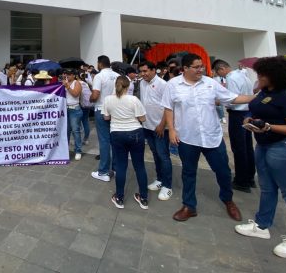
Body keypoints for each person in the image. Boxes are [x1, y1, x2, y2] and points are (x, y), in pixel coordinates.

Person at [162, 53, 256, 222]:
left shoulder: (211, 83)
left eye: (202, 66)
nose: (201, 70)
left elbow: (233, 98)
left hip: (212, 137)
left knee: (223, 171)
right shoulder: (172, 85)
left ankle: (228, 200)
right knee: (188, 173)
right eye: (196, 67)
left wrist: (257, 97)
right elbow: (168, 108)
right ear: (185, 68)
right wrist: (172, 130)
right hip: (188, 138)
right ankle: (189, 206)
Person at [235, 56, 286, 259]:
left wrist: (268, 127)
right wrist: (250, 120)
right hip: (265, 146)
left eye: (261, 74)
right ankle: (262, 225)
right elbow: (256, 109)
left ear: (273, 75)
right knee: (267, 188)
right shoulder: (264, 92)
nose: (258, 76)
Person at [104, 76, 148, 209]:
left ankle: (119, 197)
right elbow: (143, 118)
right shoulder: (133, 99)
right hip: (135, 133)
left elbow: (106, 117)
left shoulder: (107, 99)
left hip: (117, 133)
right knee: (139, 166)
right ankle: (144, 199)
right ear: (128, 86)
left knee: (121, 166)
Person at [213, 59, 256, 193]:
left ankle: (242, 181)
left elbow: (232, 99)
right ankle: (249, 177)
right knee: (248, 147)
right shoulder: (243, 75)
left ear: (221, 69)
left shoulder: (231, 78)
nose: (220, 76)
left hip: (238, 114)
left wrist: (220, 102)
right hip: (248, 112)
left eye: (219, 73)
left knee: (239, 148)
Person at [139, 60, 172, 201]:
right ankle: (159, 179)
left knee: (163, 155)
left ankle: (167, 186)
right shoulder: (141, 83)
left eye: (146, 71)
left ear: (154, 70)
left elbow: (168, 107)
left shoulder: (163, 85)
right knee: (155, 154)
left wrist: (162, 124)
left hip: (160, 128)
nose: (143, 74)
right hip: (147, 126)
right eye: (141, 71)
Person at [90, 55, 119, 182]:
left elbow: (95, 95)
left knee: (104, 141)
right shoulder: (117, 76)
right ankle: (116, 168)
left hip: (101, 110)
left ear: (100, 64)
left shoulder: (99, 76)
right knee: (114, 140)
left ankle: (103, 172)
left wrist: (90, 98)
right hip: (115, 110)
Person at [63, 69, 83, 160]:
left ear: (74, 75)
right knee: (66, 131)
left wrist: (67, 87)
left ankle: (78, 150)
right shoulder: (65, 82)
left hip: (75, 109)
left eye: (70, 74)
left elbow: (75, 94)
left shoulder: (77, 83)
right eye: (67, 74)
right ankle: (65, 150)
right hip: (65, 109)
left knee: (75, 131)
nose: (68, 76)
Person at [78, 72, 92, 145]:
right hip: (87, 104)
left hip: (80, 105)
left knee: (77, 123)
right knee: (85, 122)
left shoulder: (77, 83)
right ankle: (86, 139)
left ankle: (78, 140)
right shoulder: (85, 83)